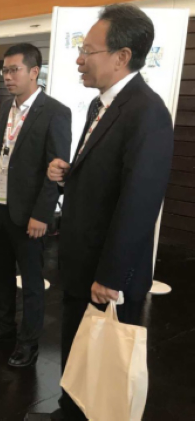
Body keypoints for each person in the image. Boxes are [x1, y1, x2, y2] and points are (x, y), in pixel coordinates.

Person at [27, 4, 174, 420]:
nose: (78, 59)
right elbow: (105, 178)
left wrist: (111, 276)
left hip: (108, 273)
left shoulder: (147, 112)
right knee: (78, 348)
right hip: (82, 260)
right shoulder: (101, 106)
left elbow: (140, 202)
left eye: (87, 51)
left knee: (101, 360)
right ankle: (68, 410)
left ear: (121, 56)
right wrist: (66, 175)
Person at [0, 44, 71, 367]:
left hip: (29, 214)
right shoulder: (6, 107)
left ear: (34, 72)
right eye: (5, 70)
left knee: (30, 281)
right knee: (0, 274)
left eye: (14, 70)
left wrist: (42, 214)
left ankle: (28, 342)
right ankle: (3, 328)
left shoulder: (55, 112)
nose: (7, 76)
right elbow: (1, 148)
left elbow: (56, 169)